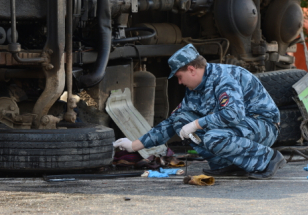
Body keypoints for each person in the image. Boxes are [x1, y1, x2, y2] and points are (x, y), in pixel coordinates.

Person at [113, 44, 286, 179]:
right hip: (241, 126)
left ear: (191, 69)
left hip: (263, 125)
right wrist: (134, 145)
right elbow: (170, 123)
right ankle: (223, 163)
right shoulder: (195, 89)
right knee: (180, 119)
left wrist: (197, 124)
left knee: (212, 137)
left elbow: (234, 114)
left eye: (179, 77)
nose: (179, 82)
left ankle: (267, 159)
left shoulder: (223, 78)